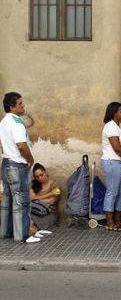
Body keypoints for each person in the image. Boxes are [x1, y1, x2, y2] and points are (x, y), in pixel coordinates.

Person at [0, 92, 38, 243]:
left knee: (7, 201)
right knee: (22, 201)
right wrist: (30, 159)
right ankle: (22, 235)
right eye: (20, 104)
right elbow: (21, 145)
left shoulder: (3, 122)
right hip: (17, 164)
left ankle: (5, 232)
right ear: (12, 107)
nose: (23, 106)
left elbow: (4, 146)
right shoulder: (17, 123)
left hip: (6, 163)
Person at [101, 102, 121, 231]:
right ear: (114, 113)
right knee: (112, 191)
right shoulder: (110, 126)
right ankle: (109, 221)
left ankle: (118, 219)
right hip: (112, 161)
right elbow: (117, 147)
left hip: (119, 162)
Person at [30, 163, 60, 235]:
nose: (40, 178)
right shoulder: (33, 185)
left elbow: (51, 201)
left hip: (50, 212)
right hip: (34, 209)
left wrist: (36, 200)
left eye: (41, 175)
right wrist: (50, 194)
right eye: (37, 177)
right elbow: (31, 198)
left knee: (35, 223)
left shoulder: (54, 185)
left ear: (46, 173)